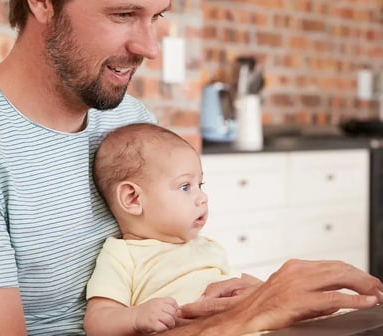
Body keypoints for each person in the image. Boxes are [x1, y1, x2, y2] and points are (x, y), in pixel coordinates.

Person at [0, 0, 383, 335]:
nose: (149, 46)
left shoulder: (127, 121)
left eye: (156, 16)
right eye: (124, 14)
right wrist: (243, 318)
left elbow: (159, 275)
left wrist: (226, 301)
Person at [83, 123, 261, 335]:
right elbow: (97, 322)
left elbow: (240, 283)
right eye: (185, 187)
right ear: (132, 198)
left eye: (200, 185)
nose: (202, 197)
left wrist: (268, 289)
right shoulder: (122, 255)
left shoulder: (207, 246)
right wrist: (136, 317)